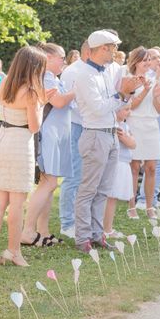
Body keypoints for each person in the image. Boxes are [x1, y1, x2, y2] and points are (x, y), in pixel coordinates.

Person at [73, 30, 142, 253]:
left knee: (103, 190)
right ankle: (83, 237)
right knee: (88, 189)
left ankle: (96, 235)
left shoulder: (105, 72)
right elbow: (99, 107)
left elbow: (114, 105)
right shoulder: (84, 74)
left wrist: (129, 92)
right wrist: (122, 94)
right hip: (94, 134)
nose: (115, 51)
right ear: (102, 48)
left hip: (110, 133)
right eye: (112, 47)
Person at [0, 46, 50, 266]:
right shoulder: (29, 92)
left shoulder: (4, 84)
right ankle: (14, 251)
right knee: (17, 203)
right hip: (20, 144)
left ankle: (12, 251)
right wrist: (40, 102)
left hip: (3, 138)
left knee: (1, 201)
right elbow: (34, 126)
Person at [22, 43, 75, 248]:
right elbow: (60, 102)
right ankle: (27, 230)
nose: (64, 60)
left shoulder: (53, 78)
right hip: (48, 135)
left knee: (50, 185)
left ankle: (43, 231)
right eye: (61, 57)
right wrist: (75, 92)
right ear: (48, 57)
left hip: (59, 135)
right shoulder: (43, 77)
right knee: (48, 183)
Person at [126, 46, 160, 223]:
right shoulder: (130, 80)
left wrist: (156, 96)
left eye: (150, 60)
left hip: (151, 125)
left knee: (151, 167)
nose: (148, 63)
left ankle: (149, 206)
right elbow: (131, 106)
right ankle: (131, 206)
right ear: (136, 62)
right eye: (145, 60)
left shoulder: (154, 79)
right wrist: (145, 91)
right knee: (134, 167)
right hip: (135, 123)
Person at [58, 40, 90, 239]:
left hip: (87, 126)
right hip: (74, 125)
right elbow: (67, 103)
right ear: (89, 51)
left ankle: (77, 219)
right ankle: (67, 222)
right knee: (73, 176)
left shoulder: (92, 70)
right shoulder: (72, 71)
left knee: (83, 176)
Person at [104, 105, 136, 239]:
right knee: (110, 197)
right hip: (116, 164)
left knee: (113, 198)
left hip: (123, 163)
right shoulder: (115, 127)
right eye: (126, 109)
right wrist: (125, 138)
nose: (130, 112)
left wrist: (126, 138)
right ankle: (106, 229)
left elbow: (133, 144)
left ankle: (107, 226)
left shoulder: (124, 126)